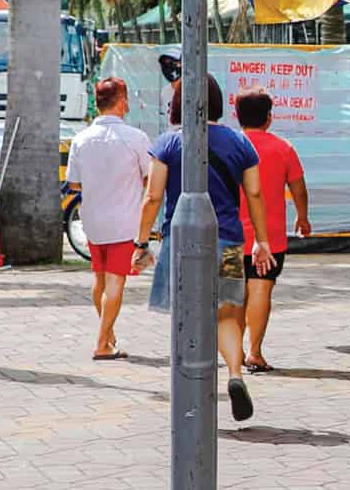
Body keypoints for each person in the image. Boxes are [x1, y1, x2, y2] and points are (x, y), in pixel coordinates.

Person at [133, 75, 273, 423]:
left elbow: (152, 196)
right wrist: (263, 239)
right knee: (226, 313)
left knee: (188, 317)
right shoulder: (240, 143)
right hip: (227, 240)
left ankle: (192, 393)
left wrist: (141, 242)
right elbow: (254, 194)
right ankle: (236, 376)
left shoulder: (167, 144)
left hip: (180, 244)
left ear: (179, 105)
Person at [63, 77, 151, 360]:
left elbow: (73, 184)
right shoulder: (136, 138)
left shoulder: (80, 139)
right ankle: (102, 342)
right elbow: (150, 178)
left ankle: (108, 334)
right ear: (122, 102)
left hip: (92, 220)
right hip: (124, 221)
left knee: (99, 281)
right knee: (115, 283)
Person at [233, 89, 310, 373]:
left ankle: (236, 351)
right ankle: (255, 352)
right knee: (261, 289)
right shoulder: (283, 148)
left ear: (237, 116)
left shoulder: (229, 146)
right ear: (269, 118)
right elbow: (299, 188)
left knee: (236, 293)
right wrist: (302, 218)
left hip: (230, 234)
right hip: (270, 236)